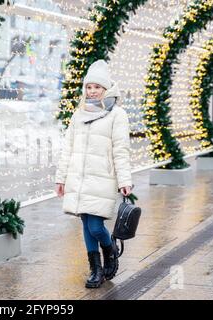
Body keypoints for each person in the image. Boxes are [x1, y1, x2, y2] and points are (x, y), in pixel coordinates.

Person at [55, 60, 132, 289]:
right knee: (86, 224)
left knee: (96, 227)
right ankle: (95, 270)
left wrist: (125, 180)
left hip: (103, 178)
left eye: (97, 87)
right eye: (89, 87)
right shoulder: (79, 114)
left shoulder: (117, 115)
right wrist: (61, 178)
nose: (92, 91)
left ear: (106, 89)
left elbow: (121, 149)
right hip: (79, 178)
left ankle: (110, 251)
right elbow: (67, 147)